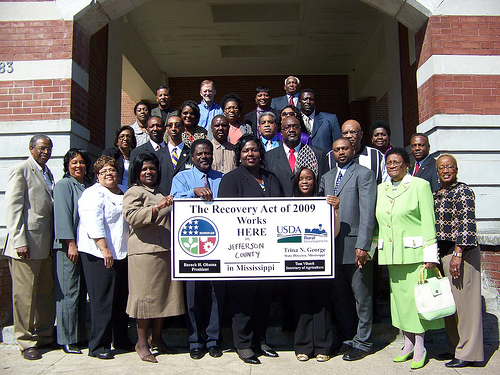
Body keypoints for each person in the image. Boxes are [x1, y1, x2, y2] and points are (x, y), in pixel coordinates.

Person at [375, 147, 443, 370]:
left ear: (406, 164)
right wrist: (372, 250)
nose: (392, 166)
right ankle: (408, 342)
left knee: (416, 302)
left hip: (415, 255)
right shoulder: (380, 189)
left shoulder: (419, 186)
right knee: (400, 303)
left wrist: (430, 255)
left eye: (396, 162)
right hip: (392, 255)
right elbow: (378, 224)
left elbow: (427, 221)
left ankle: (421, 345)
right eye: (389, 163)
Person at [218, 134, 283, 364]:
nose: (250, 154)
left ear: (260, 153)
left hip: (269, 253)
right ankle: (243, 345)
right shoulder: (231, 179)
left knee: (263, 300)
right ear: (239, 154)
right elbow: (226, 217)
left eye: (254, 150)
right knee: (243, 301)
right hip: (242, 253)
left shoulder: (271, 177)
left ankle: (261, 340)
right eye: (245, 150)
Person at [123, 153, 185, 363]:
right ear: (137, 172)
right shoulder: (134, 191)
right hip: (145, 253)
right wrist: (157, 207)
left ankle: (157, 339)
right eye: (144, 169)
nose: (149, 172)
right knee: (144, 300)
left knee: (163, 298)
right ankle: (141, 343)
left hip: (165, 251)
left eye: (152, 168)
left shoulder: (159, 191)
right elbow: (131, 216)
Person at [319, 138, 376, 362]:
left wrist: (363, 245)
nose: (341, 152)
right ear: (332, 153)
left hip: (355, 246)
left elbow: (368, 212)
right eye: (336, 150)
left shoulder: (364, 174)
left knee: (361, 296)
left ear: (353, 150)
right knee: (340, 297)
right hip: (332, 247)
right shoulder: (326, 177)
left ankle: (364, 341)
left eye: (344, 148)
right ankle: (348, 337)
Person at [170, 139, 225, 360]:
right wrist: (193, 192)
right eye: (200, 154)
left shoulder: (222, 178)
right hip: (192, 246)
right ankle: (195, 341)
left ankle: (213, 340)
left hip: (218, 245)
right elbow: (174, 201)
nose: (204, 157)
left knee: (215, 294)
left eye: (208, 153)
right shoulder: (181, 179)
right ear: (192, 157)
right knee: (192, 296)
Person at [3, 135, 55, 360]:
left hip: (45, 245)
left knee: (44, 292)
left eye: (49, 148)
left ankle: (43, 334)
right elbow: (13, 208)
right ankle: (25, 341)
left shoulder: (47, 172)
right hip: (26, 245)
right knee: (24, 296)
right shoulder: (22, 169)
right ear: (32, 148)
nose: (45, 152)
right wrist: (19, 241)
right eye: (42, 148)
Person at [78, 155, 133, 359]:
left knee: (120, 300)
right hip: (99, 255)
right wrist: (104, 249)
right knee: (102, 301)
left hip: (122, 252)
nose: (109, 174)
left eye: (112, 170)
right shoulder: (92, 194)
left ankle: (120, 339)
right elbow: (94, 223)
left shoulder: (125, 191)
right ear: (97, 175)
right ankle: (98, 345)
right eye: (104, 171)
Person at [434, 154, 483, 368]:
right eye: (441, 167)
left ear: (456, 169)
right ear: (437, 172)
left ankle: (469, 352)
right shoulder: (437, 194)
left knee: (466, 306)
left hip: (461, 253)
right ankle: (455, 347)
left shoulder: (463, 191)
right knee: (450, 305)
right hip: (443, 252)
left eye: (449, 167)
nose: (446, 170)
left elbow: (467, 224)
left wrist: (458, 253)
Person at [291, 166, 340, 362]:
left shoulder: (325, 203)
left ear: (315, 181)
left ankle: (323, 346)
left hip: (320, 261)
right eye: (301, 178)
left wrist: (336, 209)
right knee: (301, 303)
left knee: (321, 304)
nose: (305, 182)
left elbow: (334, 232)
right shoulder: (288, 204)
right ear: (296, 181)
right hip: (295, 262)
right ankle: (303, 346)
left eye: (309, 178)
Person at [53, 148, 93, 355]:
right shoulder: (63, 186)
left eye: (81, 162)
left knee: (80, 293)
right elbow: (63, 216)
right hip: (68, 248)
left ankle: (79, 336)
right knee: (69, 293)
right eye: (73, 162)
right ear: (67, 166)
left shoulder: (87, 185)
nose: (78, 165)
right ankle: (67, 339)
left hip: (85, 247)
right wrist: (70, 244)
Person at [266, 115, 328, 197]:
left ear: (301, 130)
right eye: (287, 127)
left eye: (295, 127)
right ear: (281, 133)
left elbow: (323, 187)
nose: (291, 130)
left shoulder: (318, 154)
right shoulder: (268, 157)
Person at [329, 119, 388, 184]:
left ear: (361, 134)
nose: (349, 136)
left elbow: (385, 183)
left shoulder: (377, 156)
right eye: (345, 133)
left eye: (353, 132)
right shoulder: (331, 157)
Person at [156, 114, 193, 195]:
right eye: (170, 125)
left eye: (177, 125)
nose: (173, 128)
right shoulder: (158, 155)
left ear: (183, 128)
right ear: (166, 129)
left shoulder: (191, 154)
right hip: (163, 200)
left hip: (184, 200)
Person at [299, 89, 341, 153]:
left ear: (315, 102)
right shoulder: (295, 120)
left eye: (311, 99)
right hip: (301, 160)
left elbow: (338, 142)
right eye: (305, 99)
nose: (308, 102)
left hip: (325, 160)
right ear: (299, 102)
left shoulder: (330, 119)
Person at [102, 125, 137, 191]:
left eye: (128, 136)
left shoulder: (135, 155)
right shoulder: (110, 154)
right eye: (122, 136)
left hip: (132, 192)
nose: (125, 139)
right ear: (117, 140)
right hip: (115, 190)